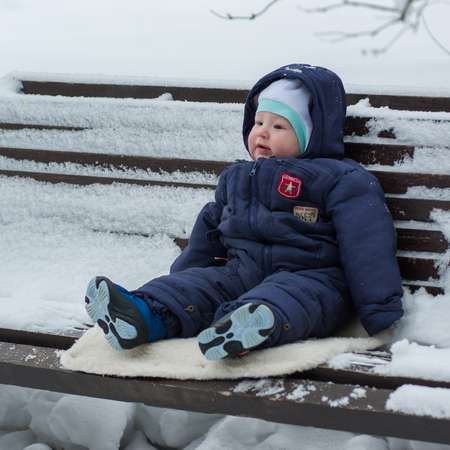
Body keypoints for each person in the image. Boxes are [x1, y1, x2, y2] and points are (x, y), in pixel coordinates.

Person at [84, 63, 404, 361]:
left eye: (279, 125)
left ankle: (249, 328)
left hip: (315, 278)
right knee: (198, 288)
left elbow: (367, 244)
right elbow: (209, 232)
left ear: (313, 133)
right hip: (242, 273)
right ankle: (142, 315)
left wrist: (379, 309)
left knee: (288, 299)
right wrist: (184, 280)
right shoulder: (238, 178)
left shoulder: (340, 180)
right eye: (259, 122)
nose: (262, 132)